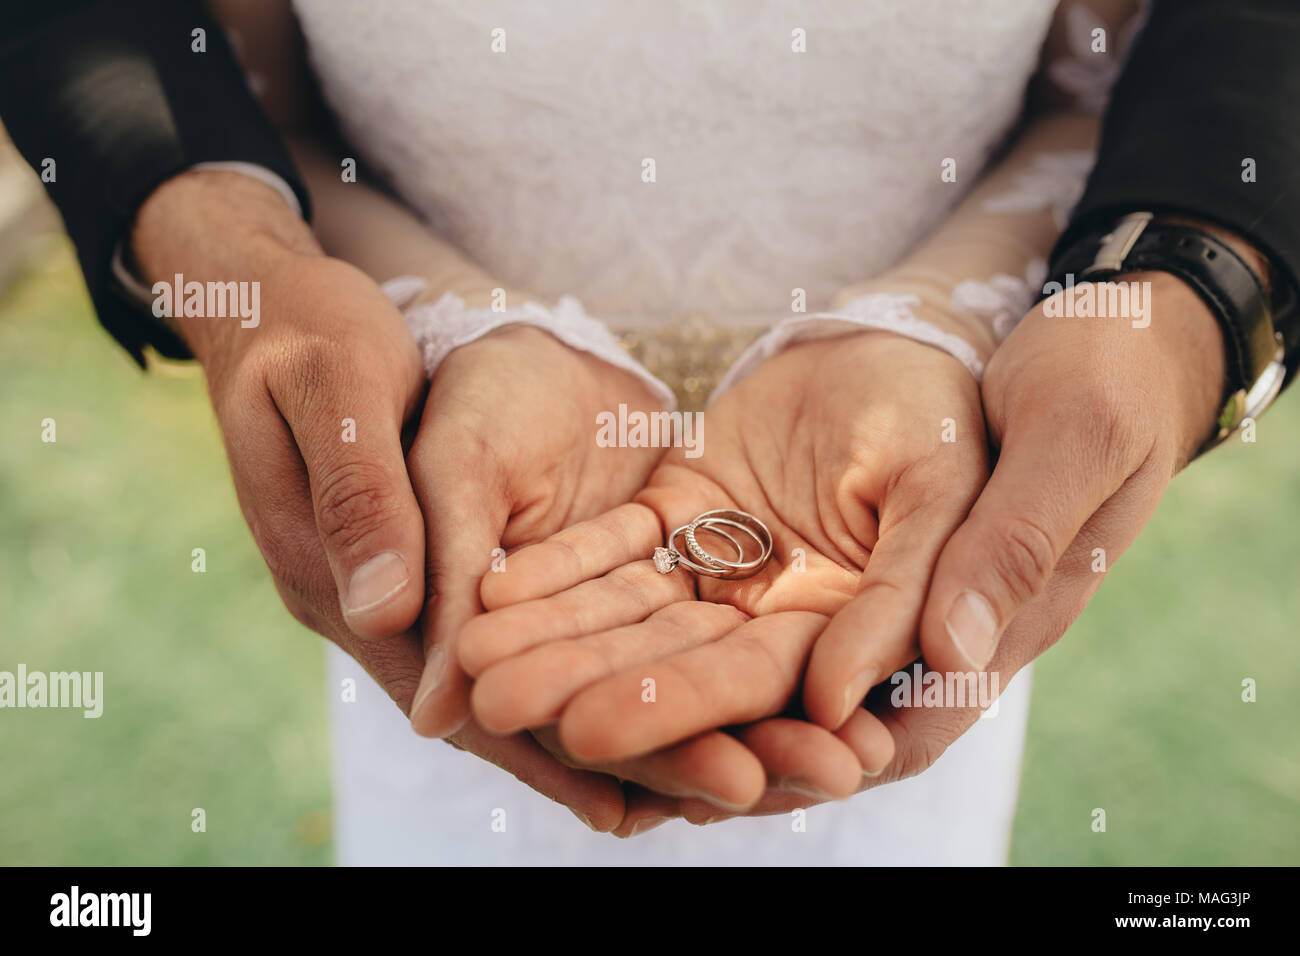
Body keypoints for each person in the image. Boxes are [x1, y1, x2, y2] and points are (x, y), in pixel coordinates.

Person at [2, 0, 1296, 863]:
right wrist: (284, 284)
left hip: (908, 514)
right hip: (466, 502)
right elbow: (228, 79)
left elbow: (1117, 79)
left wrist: (1115, 301)